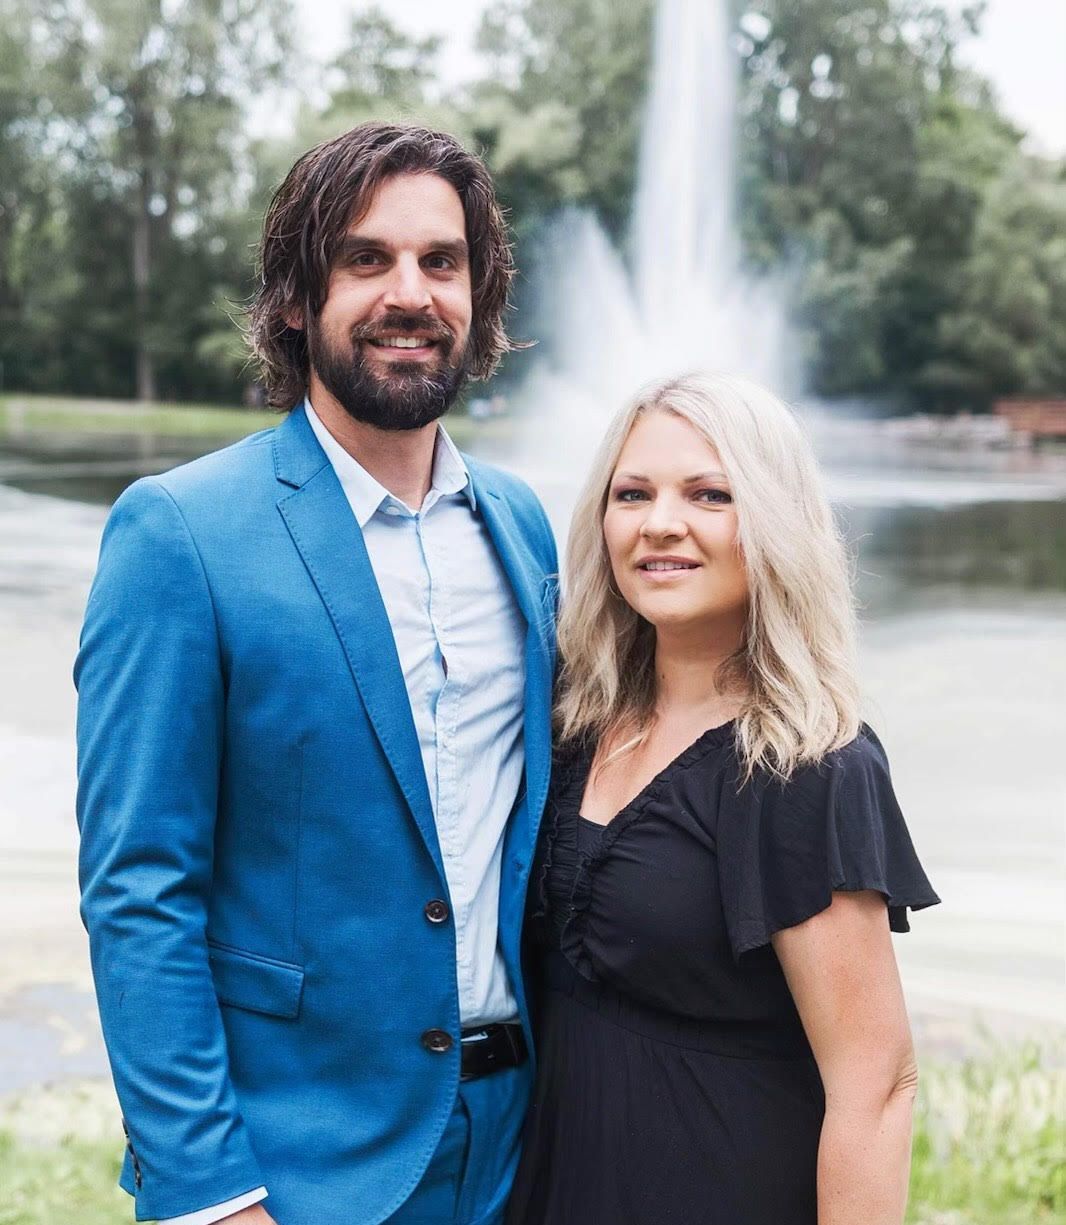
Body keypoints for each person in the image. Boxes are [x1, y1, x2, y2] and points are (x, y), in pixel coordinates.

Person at [75, 123, 557, 1225]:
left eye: (442, 262)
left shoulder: (523, 530)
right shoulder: (180, 535)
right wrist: (209, 1192)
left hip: (522, 1151)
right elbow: (139, 892)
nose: (411, 292)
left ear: (478, 298)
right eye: (364, 258)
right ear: (297, 297)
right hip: (297, 1172)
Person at [506, 372, 940, 1225]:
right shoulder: (572, 719)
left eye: (710, 494)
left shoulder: (806, 766)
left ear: (774, 523)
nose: (661, 522)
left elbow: (876, 1086)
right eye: (633, 493)